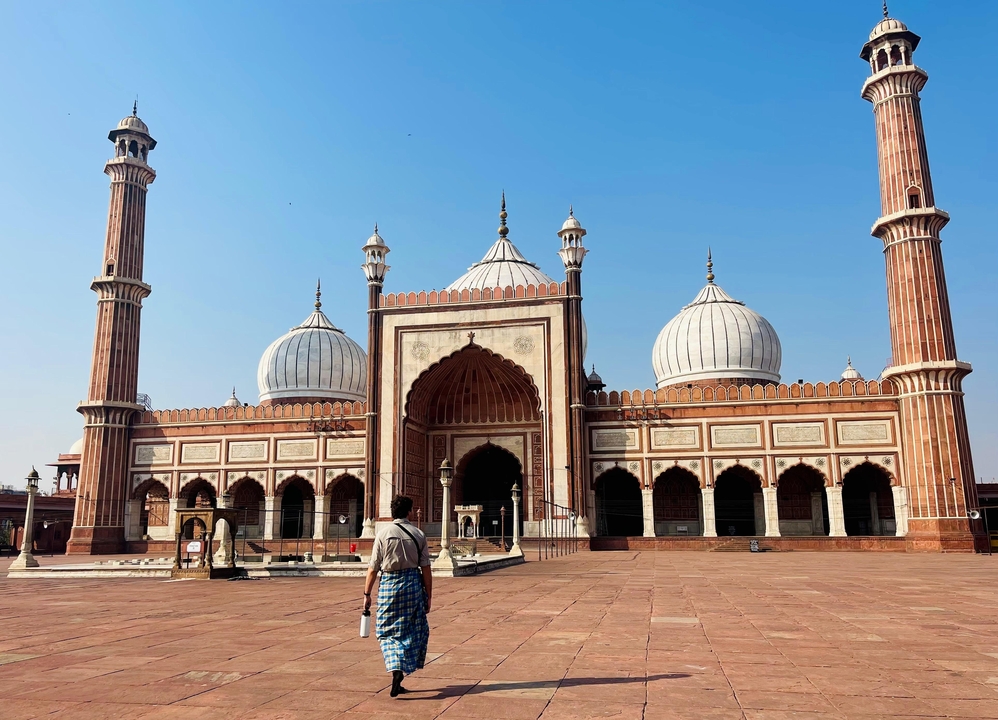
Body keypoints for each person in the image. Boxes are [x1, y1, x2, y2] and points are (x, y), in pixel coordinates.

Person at [363, 495, 432, 697]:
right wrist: (429, 595)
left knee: (385, 631)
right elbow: (426, 568)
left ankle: (395, 668)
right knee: (413, 628)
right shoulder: (418, 534)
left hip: (389, 586)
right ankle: (401, 668)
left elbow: (373, 567)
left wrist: (367, 594)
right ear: (410, 512)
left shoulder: (383, 534)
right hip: (412, 584)